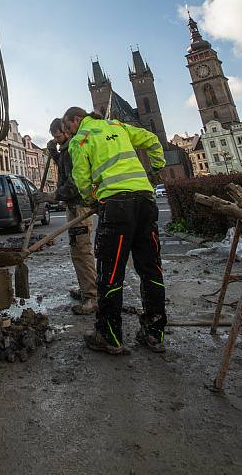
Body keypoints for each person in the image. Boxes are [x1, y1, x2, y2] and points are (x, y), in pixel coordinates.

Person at [62, 106, 166, 356]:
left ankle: (109, 336)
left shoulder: (81, 140)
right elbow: (152, 140)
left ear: (77, 120)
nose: (69, 132)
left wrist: (92, 200)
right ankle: (154, 333)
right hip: (145, 201)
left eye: (68, 127)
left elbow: (82, 182)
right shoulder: (117, 127)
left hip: (116, 207)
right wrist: (155, 170)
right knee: (151, 269)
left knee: (109, 274)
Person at [36, 118, 97, 315]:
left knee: (82, 251)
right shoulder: (65, 150)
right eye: (54, 137)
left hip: (79, 207)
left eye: (58, 136)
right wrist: (53, 152)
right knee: (76, 251)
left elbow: (73, 183)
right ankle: (86, 289)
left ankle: (92, 297)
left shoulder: (73, 148)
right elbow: (63, 169)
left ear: (67, 132)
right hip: (73, 207)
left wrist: (52, 196)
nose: (56, 139)